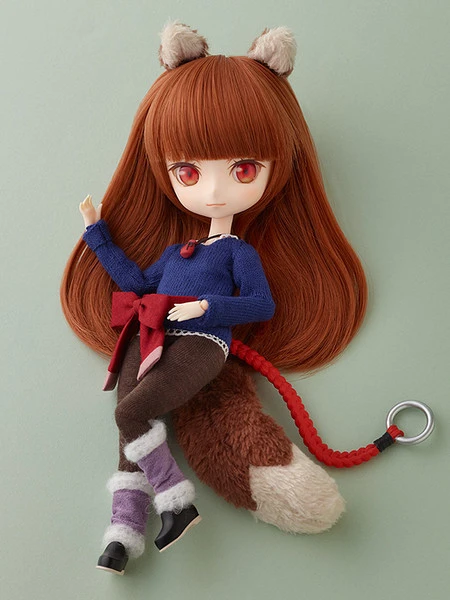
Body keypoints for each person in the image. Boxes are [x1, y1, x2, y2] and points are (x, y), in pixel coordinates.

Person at [61, 22, 367, 574]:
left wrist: (207, 309)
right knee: (126, 428)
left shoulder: (236, 253)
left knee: (131, 412)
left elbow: (261, 305)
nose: (214, 190)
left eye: (242, 170)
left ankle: (176, 502)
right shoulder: (177, 252)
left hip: (202, 342)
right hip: (149, 331)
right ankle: (123, 533)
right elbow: (136, 282)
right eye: (188, 172)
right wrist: (97, 234)